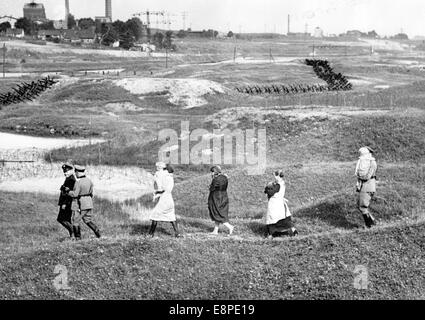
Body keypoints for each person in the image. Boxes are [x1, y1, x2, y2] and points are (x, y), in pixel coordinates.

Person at [66, 165, 101, 240]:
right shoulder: (89, 181)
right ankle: (98, 234)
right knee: (88, 220)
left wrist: (68, 191)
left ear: (78, 172)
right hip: (89, 203)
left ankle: (78, 239)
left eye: (75, 172)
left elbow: (75, 194)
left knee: (75, 221)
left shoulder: (78, 183)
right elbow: (91, 193)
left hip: (80, 204)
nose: (75, 174)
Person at [148, 162, 182, 238]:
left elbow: (163, 189)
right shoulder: (170, 177)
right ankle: (177, 233)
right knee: (171, 216)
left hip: (164, 199)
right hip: (169, 199)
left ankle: (151, 234)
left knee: (155, 215)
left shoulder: (165, 177)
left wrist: (155, 192)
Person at [263, 170, 298, 238]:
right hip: (280, 203)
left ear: (277, 176)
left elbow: (270, 192)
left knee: (272, 219)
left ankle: (270, 235)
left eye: (275, 176)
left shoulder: (277, 185)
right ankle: (294, 231)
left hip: (275, 204)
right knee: (285, 218)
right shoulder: (282, 183)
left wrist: (267, 188)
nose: (274, 177)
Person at [355, 146, 378, 228]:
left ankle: (369, 225)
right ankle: (372, 222)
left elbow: (367, 177)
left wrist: (359, 176)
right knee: (361, 205)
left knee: (362, 207)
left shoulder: (372, 163)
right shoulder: (369, 162)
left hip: (367, 186)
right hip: (367, 186)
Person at [208, 166, 234, 235]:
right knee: (219, 213)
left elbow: (211, 188)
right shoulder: (225, 177)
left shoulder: (216, 179)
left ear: (215, 172)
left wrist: (212, 179)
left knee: (218, 213)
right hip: (224, 197)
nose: (211, 173)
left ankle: (230, 227)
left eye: (212, 172)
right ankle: (215, 230)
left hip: (216, 198)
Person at [57, 162, 76, 239]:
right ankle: (73, 235)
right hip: (66, 203)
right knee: (66, 219)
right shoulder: (68, 179)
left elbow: (69, 193)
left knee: (62, 219)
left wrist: (64, 203)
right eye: (64, 171)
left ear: (71, 170)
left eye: (67, 171)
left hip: (67, 203)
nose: (65, 173)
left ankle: (73, 234)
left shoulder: (71, 180)